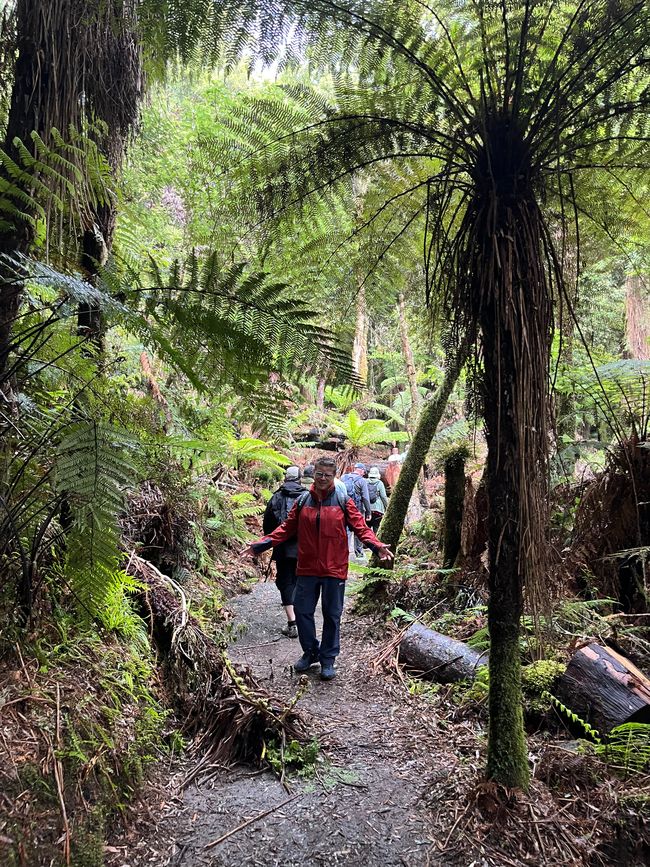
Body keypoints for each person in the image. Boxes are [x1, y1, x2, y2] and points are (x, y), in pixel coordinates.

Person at [243, 456, 393, 680]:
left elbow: (361, 527)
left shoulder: (343, 500)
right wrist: (259, 546)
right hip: (307, 568)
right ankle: (311, 651)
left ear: (334, 477)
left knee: (332, 615)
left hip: (335, 568)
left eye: (328, 475)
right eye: (319, 474)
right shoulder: (303, 501)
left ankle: (328, 659)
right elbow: (285, 530)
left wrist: (376, 546)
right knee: (303, 613)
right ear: (314, 474)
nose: (323, 478)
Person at [262, 466, 304, 638]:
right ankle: (303, 620)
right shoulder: (307, 497)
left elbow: (268, 525)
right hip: (305, 548)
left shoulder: (276, 497)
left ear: (286, 479)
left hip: (283, 548)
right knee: (301, 581)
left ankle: (292, 623)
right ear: (300, 479)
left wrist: (271, 541)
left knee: (286, 581)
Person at [340, 462, 372, 560]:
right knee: (358, 529)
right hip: (357, 509)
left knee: (346, 530)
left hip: (344, 508)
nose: (364, 473)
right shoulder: (362, 481)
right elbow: (366, 497)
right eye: (363, 471)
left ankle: (343, 552)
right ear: (361, 470)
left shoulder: (343, 478)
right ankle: (359, 553)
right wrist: (368, 512)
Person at [366, 466, 389, 533]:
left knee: (367, 529)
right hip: (377, 510)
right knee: (376, 528)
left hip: (367, 509)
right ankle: (376, 542)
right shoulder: (380, 483)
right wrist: (387, 507)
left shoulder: (364, 482)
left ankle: (367, 543)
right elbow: (383, 496)